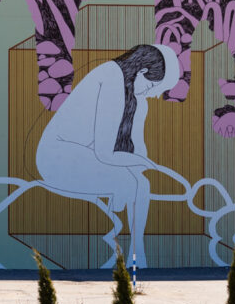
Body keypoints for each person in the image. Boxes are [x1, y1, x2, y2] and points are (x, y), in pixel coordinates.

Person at [36, 43, 179, 267]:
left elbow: (136, 146)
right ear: (141, 72)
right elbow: (105, 153)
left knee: (140, 184)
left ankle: (136, 253)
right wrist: (144, 164)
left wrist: (142, 165)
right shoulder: (111, 77)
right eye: (151, 86)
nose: (150, 94)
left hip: (86, 156)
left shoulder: (134, 96)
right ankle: (134, 254)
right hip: (59, 155)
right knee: (132, 183)